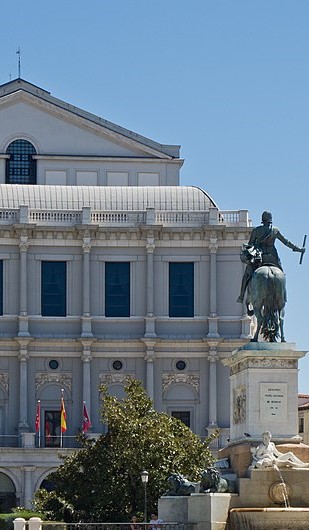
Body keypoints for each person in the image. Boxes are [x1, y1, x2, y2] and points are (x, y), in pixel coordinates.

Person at [237, 211, 305, 303]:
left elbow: (250, 246)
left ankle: (241, 296)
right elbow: (286, 242)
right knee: (282, 275)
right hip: (273, 258)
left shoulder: (256, 231)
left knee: (246, 275)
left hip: (260, 259)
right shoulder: (275, 230)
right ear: (270, 220)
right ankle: (283, 296)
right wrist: (299, 249)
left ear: (262, 220)